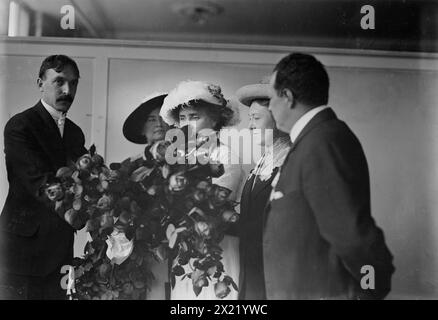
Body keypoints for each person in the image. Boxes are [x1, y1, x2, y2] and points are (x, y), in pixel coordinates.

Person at [264, 52, 395, 299]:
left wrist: (369, 291)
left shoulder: (321, 142)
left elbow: (351, 235)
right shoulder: (313, 140)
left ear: (288, 97)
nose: (269, 106)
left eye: (271, 98)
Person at [0, 55, 87, 299]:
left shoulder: (74, 132)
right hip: (22, 251)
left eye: (73, 83)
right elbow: (39, 182)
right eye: (59, 81)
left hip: (59, 251)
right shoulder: (20, 125)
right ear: (40, 83)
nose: (67, 90)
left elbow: (86, 179)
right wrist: (80, 215)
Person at [160, 80, 245, 300]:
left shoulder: (226, 157)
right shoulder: (178, 158)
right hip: (184, 251)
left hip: (217, 247)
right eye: (182, 118)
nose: (187, 125)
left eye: (195, 117)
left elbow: (213, 204)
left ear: (215, 119)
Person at [235, 81, 291, 300]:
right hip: (252, 271)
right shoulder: (262, 163)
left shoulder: (291, 162)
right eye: (249, 119)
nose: (250, 127)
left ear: (278, 118)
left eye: (256, 118)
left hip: (276, 276)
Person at [122, 93, 170, 300]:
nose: (159, 123)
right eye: (151, 119)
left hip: (171, 248)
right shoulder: (129, 166)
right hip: (138, 249)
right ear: (142, 128)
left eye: (163, 117)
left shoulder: (187, 163)